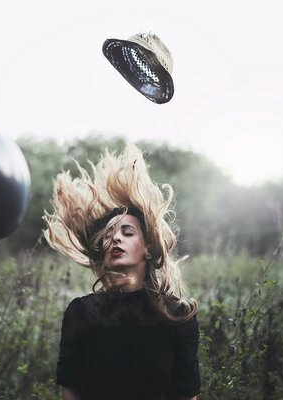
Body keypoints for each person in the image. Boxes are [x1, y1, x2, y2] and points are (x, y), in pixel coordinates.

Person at [43, 145, 200, 400]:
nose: (115, 239)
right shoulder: (81, 313)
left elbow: (187, 394)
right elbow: (71, 390)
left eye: (127, 233)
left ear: (148, 249)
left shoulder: (178, 315)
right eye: (108, 235)